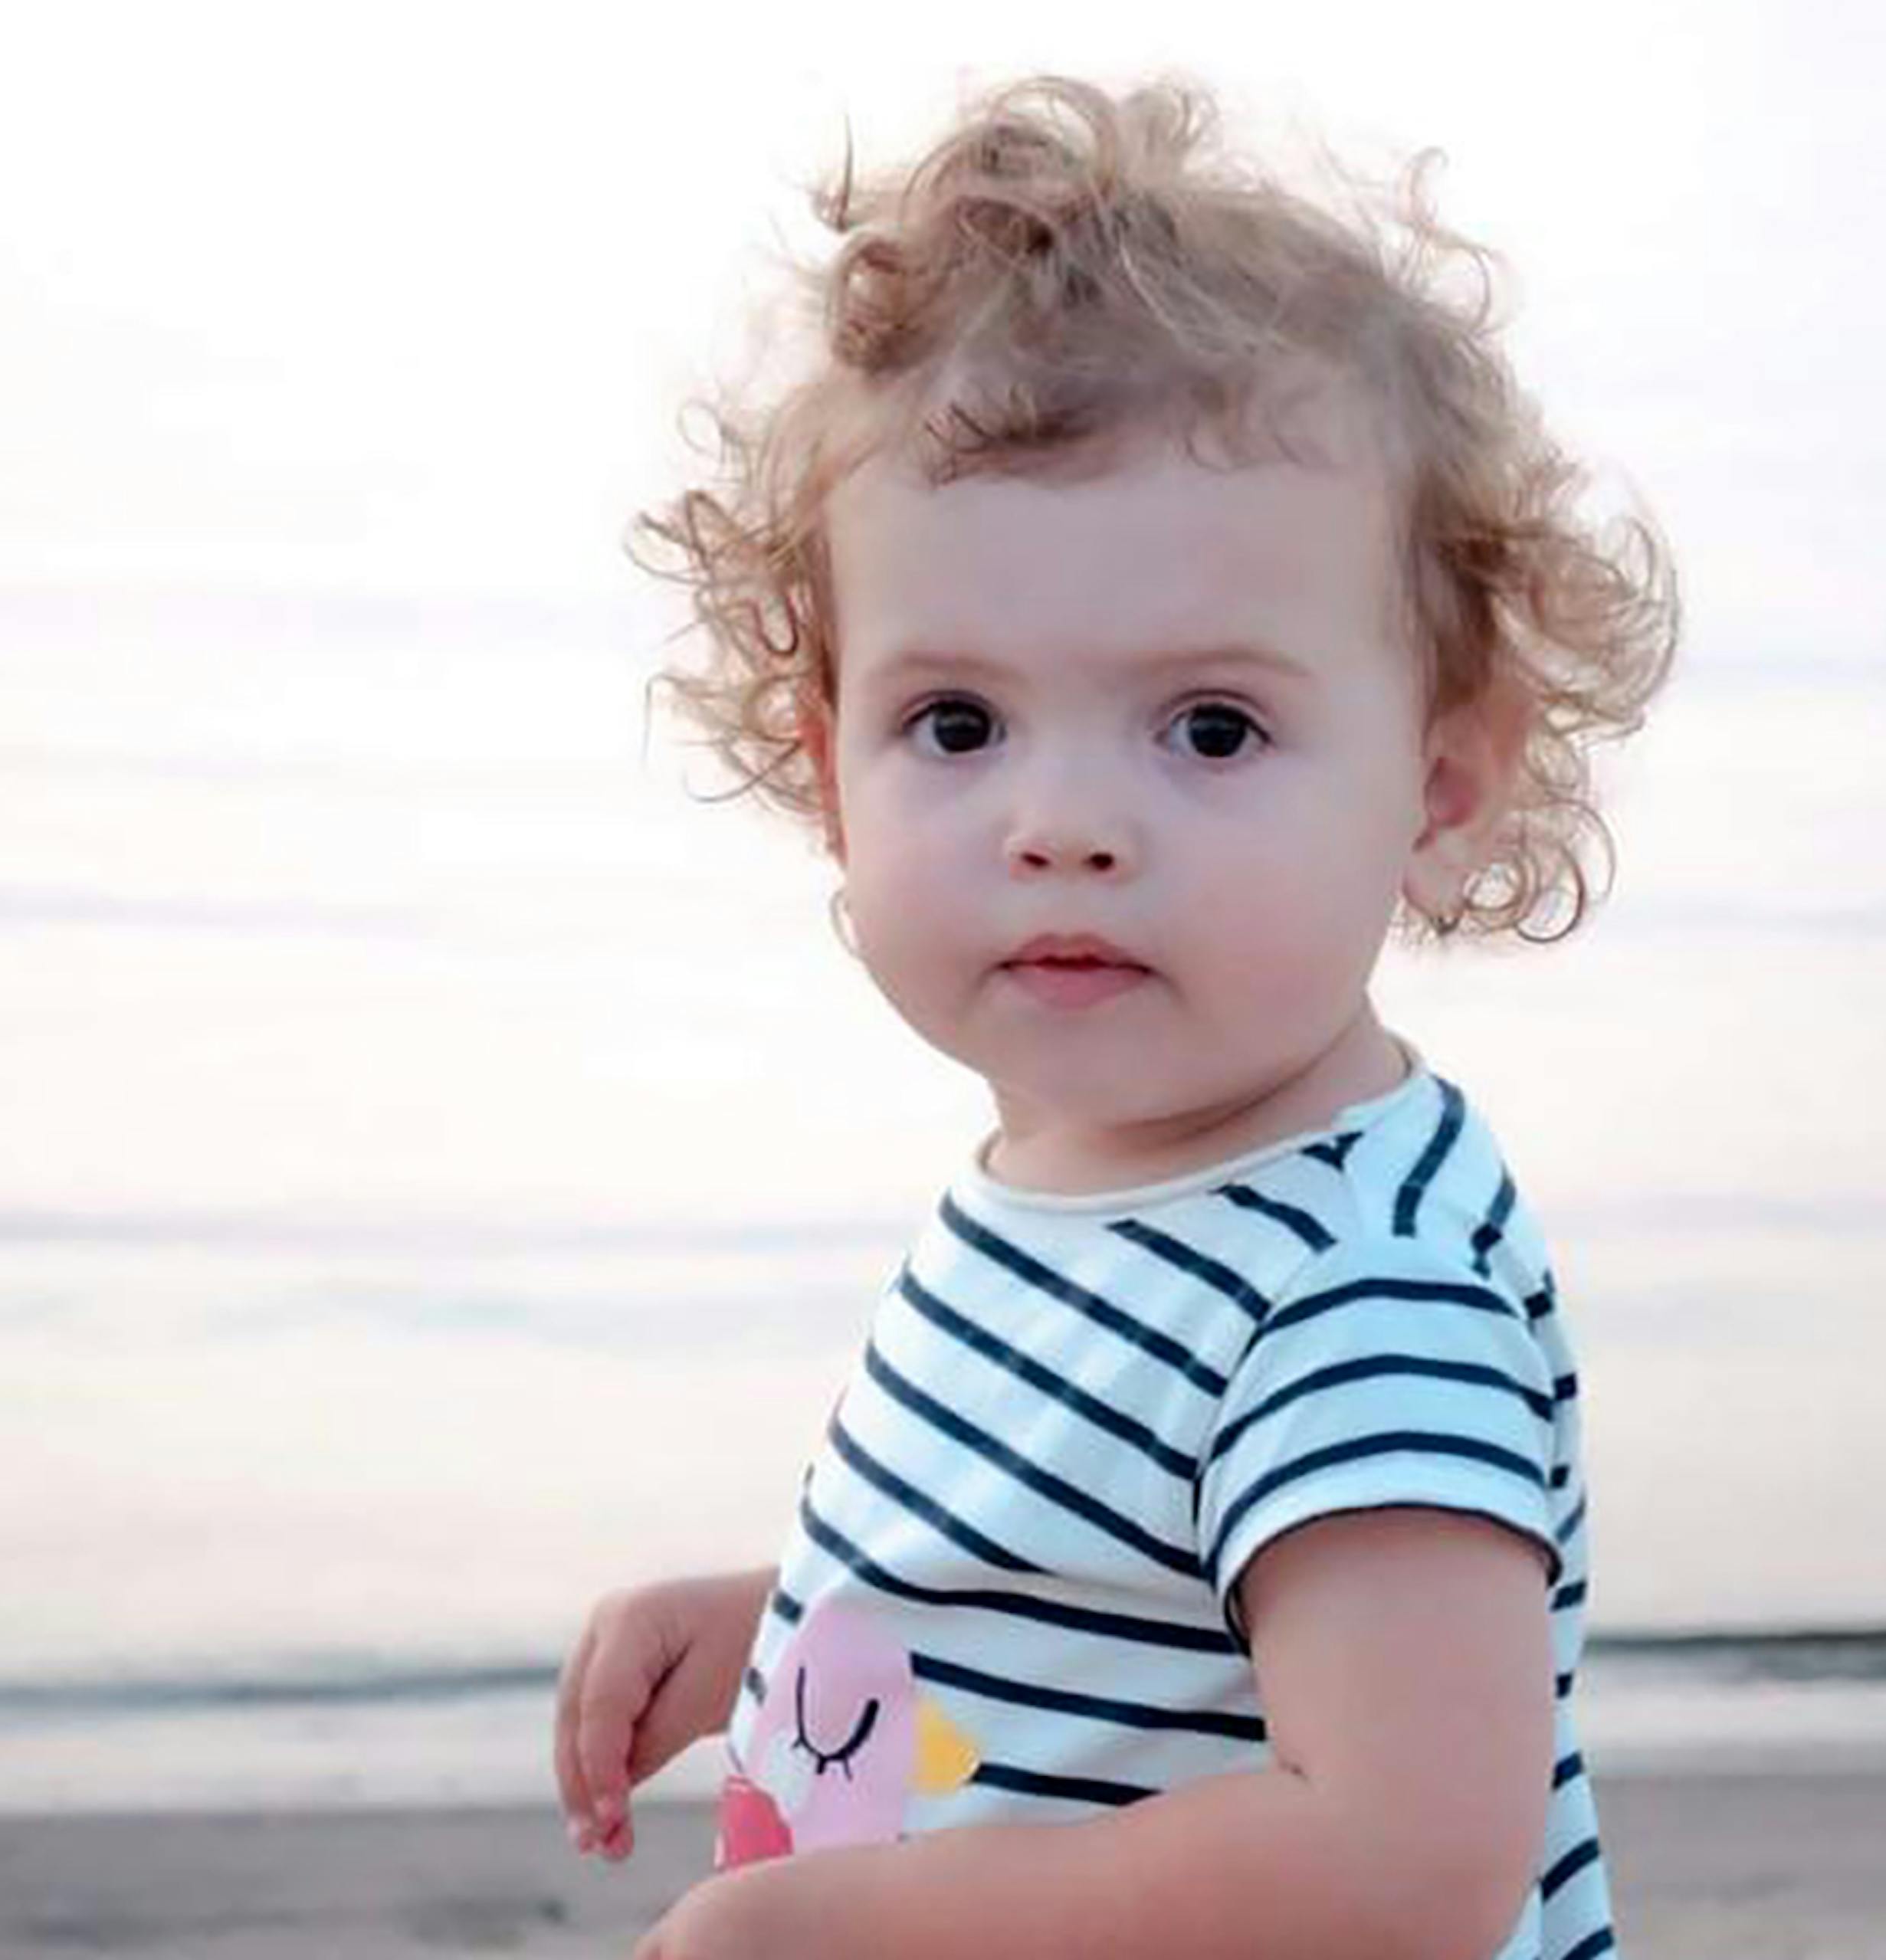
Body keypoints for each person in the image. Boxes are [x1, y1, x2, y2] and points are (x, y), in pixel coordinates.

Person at [552, 72, 1676, 1960]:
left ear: (1446, 778)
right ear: (831, 771)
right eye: (959, 724)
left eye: (1211, 727)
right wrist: (802, 1615)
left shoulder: (1352, 1290)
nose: (1061, 824)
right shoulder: (1109, 1181)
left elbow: (1406, 1863)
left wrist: (826, 1933)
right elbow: (1110, 1589)